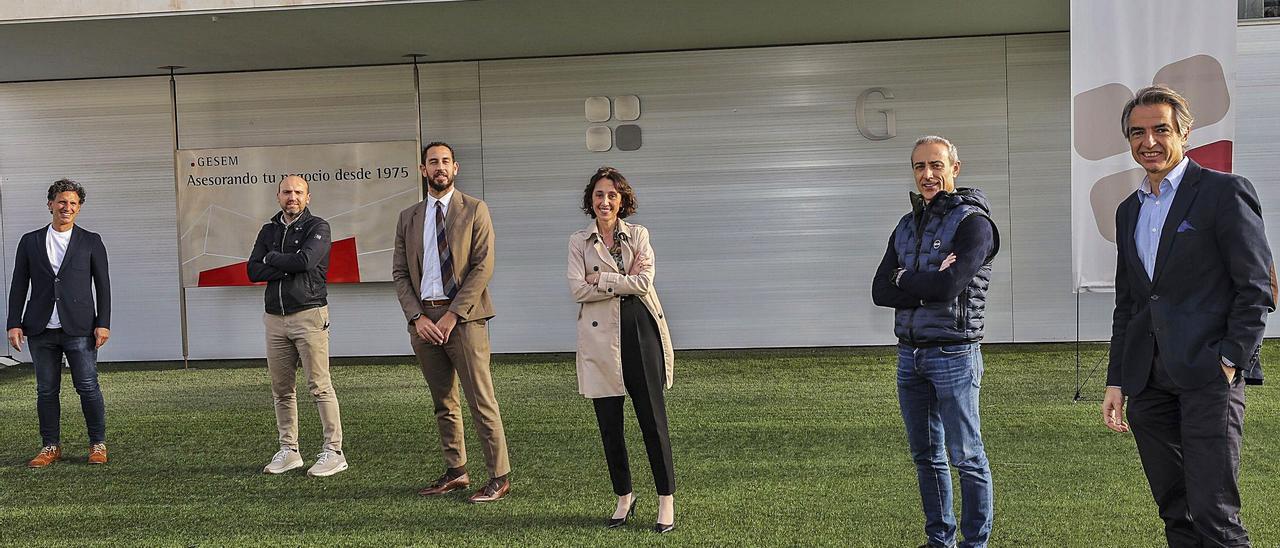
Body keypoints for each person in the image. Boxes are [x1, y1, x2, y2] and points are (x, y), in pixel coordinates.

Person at [1102, 85, 1276, 547]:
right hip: (1147, 381)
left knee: (1214, 512)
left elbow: (1257, 287)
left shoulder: (1224, 192)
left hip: (1209, 375)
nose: (1149, 142)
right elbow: (1130, 302)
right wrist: (1117, 379)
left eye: (1161, 129)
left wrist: (1231, 359)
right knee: (1175, 511)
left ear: (1185, 131)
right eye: (1137, 133)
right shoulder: (1128, 211)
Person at [871, 136, 999, 548]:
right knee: (926, 456)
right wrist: (922, 282)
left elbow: (950, 286)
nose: (927, 175)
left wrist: (905, 278)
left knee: (967, 457)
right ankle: (938, 539)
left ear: (955, 168)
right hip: (910, 356)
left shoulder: (974, 224)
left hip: (955, 353)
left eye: (936, 165)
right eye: (919, 166)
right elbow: (879, 290)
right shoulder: (906, 226)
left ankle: (974, 543)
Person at [392, 141, 511, 503]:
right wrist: (416, 317)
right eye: (432, 162)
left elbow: (482, 267)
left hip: (465, 319)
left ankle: (499, 476)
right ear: (423, 170)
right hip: (424, 321)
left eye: (445, 161)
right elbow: (399, 273)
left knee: (480, 399)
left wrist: (452, 315)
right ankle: (456, 471)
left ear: (455, 168)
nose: (439, 167)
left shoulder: (475, 209)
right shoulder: (408, 217)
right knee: (443, 401)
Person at [567, 167, 677, 533]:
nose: (605, 201)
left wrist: (602, 278)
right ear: (590, 200)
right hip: (600, 340)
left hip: (639, 331)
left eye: (612, 195)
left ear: (622, 199)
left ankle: (666, 501)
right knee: (609, 426)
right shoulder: (577, 241)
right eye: (599, 195)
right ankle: (624, 497)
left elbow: (644, 282)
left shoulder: (639, 234)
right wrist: (621, 283)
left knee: (652, 421)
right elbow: (577, 290)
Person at [247, 175, 347, 477]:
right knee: (281, 390)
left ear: (308, 197)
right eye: (287, 192)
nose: (293, 196)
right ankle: (289, 451)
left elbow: (304, 262)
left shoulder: (318, 227)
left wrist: (273, 259)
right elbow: (252, 270)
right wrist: (283, 263)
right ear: (278, 196)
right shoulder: (268, 229)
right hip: (274, 318)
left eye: (298, 192)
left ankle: (334, 451)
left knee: (319, 386)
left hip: (309, 315)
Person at [7, 178, 112, 467]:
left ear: (79, 208)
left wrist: (103, 322)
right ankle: (50, 446)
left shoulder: (91, 241)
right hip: (40, 328)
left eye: (73, 203)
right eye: (62, 202)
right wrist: (14, 323)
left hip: (79, 328)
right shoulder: (30, 241)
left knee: (88, 386)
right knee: (46, 390)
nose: (67, 207)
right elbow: (19, 284)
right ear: (50, 204)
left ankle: (97, 444)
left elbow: (103, 285)